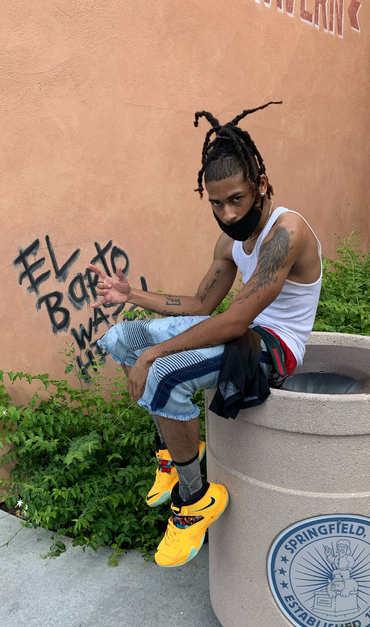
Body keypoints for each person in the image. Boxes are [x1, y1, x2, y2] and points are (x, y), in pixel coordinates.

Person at [88, 101, 322, 568]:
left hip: (274, 347)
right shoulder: (230, 241)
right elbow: (200, 304)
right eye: (216, 203)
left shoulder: (286, 233)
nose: (228, 213)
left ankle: (195, 500)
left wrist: (156, 353)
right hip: (241, 330)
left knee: (164, 372)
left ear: (261, 185)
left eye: (236, 199)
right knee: (121, 339)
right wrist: (131, 294)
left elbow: (234, 320)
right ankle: (174, 452)